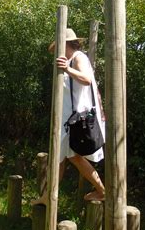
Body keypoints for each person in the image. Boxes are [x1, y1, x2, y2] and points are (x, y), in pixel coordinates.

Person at [32, 28, 105, 204]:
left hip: (77, 118)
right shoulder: (68, 60)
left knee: (68, 156)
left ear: (66, 44)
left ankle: (102, 191)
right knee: (62, 156)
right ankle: (48, 197)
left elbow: (87, 80)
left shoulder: (78, 57)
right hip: (68, 119)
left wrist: (67, 69)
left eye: (59, 45)